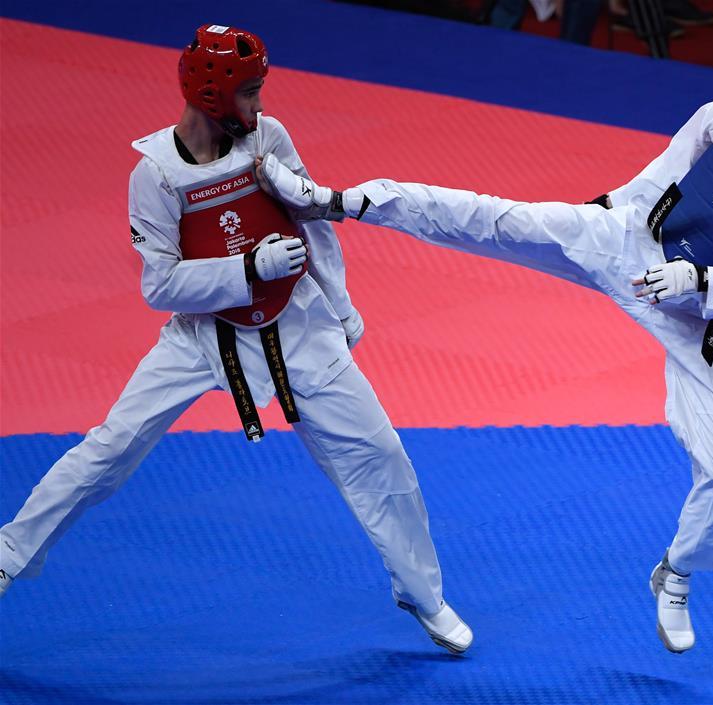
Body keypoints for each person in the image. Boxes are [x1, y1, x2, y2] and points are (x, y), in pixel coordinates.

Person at [253, 26, 713, 653]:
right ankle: (337, 200)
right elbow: (657, 182)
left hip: (699, 314)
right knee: (491, 218)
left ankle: (676, 574)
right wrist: (602, 217)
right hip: (628, 246)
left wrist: (700, 280)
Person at [0, 24, 473, 656]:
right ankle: (7, 556)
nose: (258, 107)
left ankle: (422, 592)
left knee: (380, 455)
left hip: (298, 323)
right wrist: (246, 269)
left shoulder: (268, 139)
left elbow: (313, 219)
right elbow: (160, 285)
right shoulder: (156, 176)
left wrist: (342, 303)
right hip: (201, 336)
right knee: (109, 449)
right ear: (212, 92)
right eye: (249, 93)